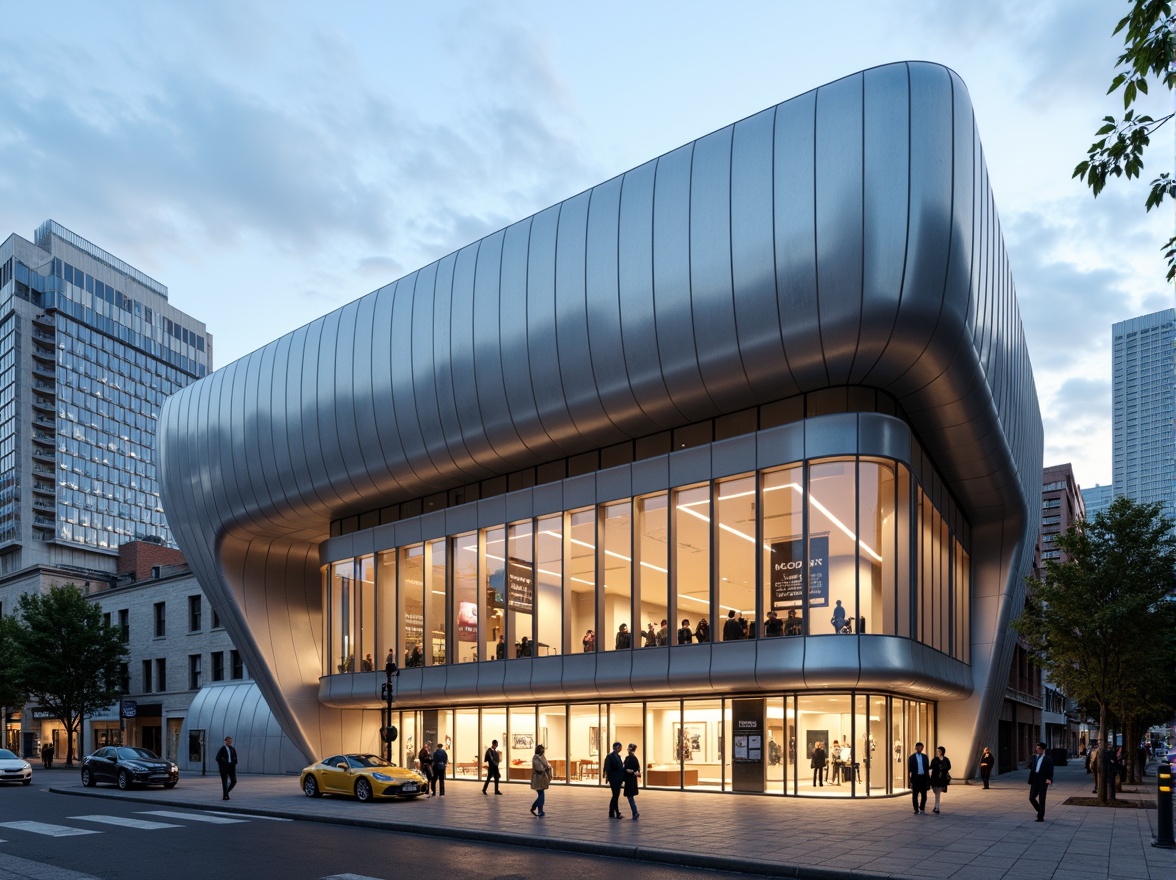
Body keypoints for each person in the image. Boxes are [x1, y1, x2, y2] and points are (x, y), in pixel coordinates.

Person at [1028, 741, 1054, 822]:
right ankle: (1040, 810)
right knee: (1031, 798)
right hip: (1035, 780)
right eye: (1036, 748)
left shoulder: (1048, 759)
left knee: (1042, 799)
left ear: (1042, 750)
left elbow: (1051, 770)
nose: (1036, 750)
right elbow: (1032, 767)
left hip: (1043, 781)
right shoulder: (1034, 757)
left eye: (1038, 749)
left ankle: (1040, 817)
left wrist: (1049, 779)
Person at [603, 741, 625, 818]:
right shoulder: (610, 756)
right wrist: (607, 777)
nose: (620, 749)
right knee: (615, 796)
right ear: (617, 748)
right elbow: (607, 768)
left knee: (615, 795)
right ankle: (615, 812)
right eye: (620, 747)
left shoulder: (616, 756)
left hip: (617, 779)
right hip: (614, 779)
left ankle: (613, 812)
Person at [908, 741, 931, 814]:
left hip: (923, 777)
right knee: (915, 794)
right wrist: (910, 780)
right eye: (917, 747)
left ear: (922, 748)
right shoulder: (911, 757)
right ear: (915, 748)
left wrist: (928, 779)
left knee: (924, 795)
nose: (919, 748)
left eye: (920, 747)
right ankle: (915, 809)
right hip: (916, 777)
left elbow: (927, 768)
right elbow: (909, 769)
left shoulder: (925, 757)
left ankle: (922, 808)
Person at [529, 744, 551, 817]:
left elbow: (546, 764)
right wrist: (545, 768)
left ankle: (538, 810)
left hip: (542, 779)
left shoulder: (542, 757)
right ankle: (536, 809)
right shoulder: (535, 758)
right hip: (537, 779)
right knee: (541, 795)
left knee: (541, 795)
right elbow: (539, 768)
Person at [215, 735, 238, 800]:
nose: (229, 742)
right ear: (225, 741)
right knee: (224, 781)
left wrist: (234, 763)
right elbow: (217, 758)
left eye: (230, 741)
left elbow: (235, 758)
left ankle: (226, 792)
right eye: (228, 741)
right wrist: (222, 764)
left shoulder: (232, 748)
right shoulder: (223, 748)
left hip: (231, 766)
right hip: (224, 768)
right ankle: (225, 796)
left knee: (234, 781)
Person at [929, 746, 951, 814]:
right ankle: (936, 806)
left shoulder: (946, 759)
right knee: (936, 792)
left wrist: (943, 770)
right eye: (937, 751)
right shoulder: (935, 759)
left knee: (938, 793)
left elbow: (949, 767)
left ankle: (937, 807)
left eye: (938, 751)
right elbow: (931, 767)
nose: (937, 752)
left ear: (942, 752)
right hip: (935, 778)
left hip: (942, 779)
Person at [623, 743, 642, 819]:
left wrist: (630, 771)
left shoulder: (630, 758)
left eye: (630, 749)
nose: (629, 751)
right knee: (630, 796)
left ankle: (635, 812)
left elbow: (626, 768)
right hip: (631, 779)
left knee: (630, 796)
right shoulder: (631, 758)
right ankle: (635, 812)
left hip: (630, 779)